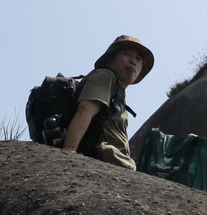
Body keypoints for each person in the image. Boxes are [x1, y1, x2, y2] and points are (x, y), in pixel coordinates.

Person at [62, 35, 154, 170]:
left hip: (114, 163)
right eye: (126, 54)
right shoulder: (105, 76)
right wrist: (68, 153)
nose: (133, 61)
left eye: (138, 59)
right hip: (101, 159)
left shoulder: (119, 94)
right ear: (109, 61)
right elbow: (85, 110)